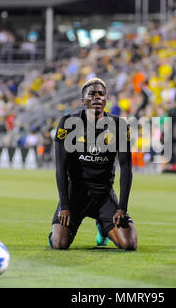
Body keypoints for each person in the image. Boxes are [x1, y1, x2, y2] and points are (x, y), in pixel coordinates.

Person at [48, 78, 138, 251]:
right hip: (75, 195)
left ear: (106, 99)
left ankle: (103, 228)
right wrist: (65, 206)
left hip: (104, 195)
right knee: (59, 244)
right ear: (83, 100)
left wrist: (122, 208)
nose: (97, 97)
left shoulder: (119, 125)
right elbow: (61, 168)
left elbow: (126, 168)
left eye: (101, 94)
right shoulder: (68, 123)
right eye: (92, 94)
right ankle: (55, 232)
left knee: (129, 245)